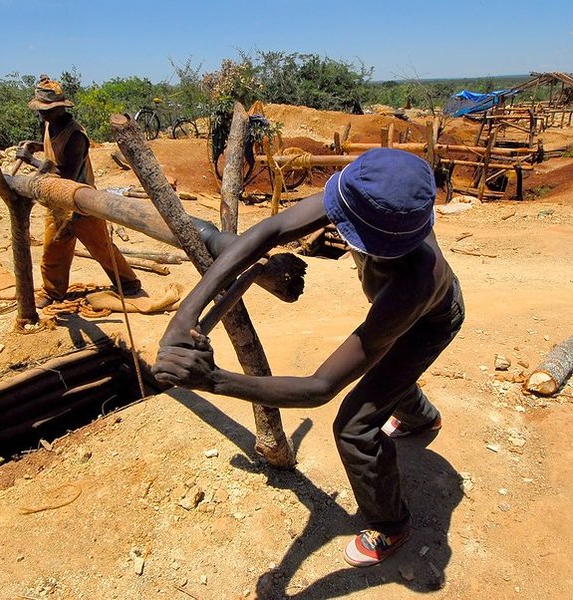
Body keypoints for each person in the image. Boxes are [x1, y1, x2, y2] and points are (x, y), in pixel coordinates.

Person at [152, 148, 465, 567]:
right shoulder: (375, 202)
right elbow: (267, 232)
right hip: (399, 308)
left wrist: (213, 380)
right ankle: (422, 418)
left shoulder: (414, 283)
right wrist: (185, 314)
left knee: (356, 424)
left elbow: (320, 387)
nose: (332, 217)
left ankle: (391, 525)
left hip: (431, 321)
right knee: (387, 374)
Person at [16, 75, 141, 308]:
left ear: (59, 108)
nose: (41, 114)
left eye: (46, 110)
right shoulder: (50, 124)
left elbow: (65, 177)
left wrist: (31, 161)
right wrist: (38, 146)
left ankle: (129, 282)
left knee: (101, 247)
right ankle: (53, 291)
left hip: (80, 201)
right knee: (53, 249)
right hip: (56, 200)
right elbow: (54, 152)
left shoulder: (75, 136)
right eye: (41, 110)